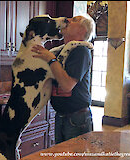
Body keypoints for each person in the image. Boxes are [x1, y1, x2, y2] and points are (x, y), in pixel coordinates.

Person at [31, 14, 96, 144]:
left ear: (82, 30)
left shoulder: (80, 51)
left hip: (77, 118)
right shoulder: (63, 51)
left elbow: (67, 85)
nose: (68, 20)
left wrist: (50, 59)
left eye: (75, 20)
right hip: (62, 115)